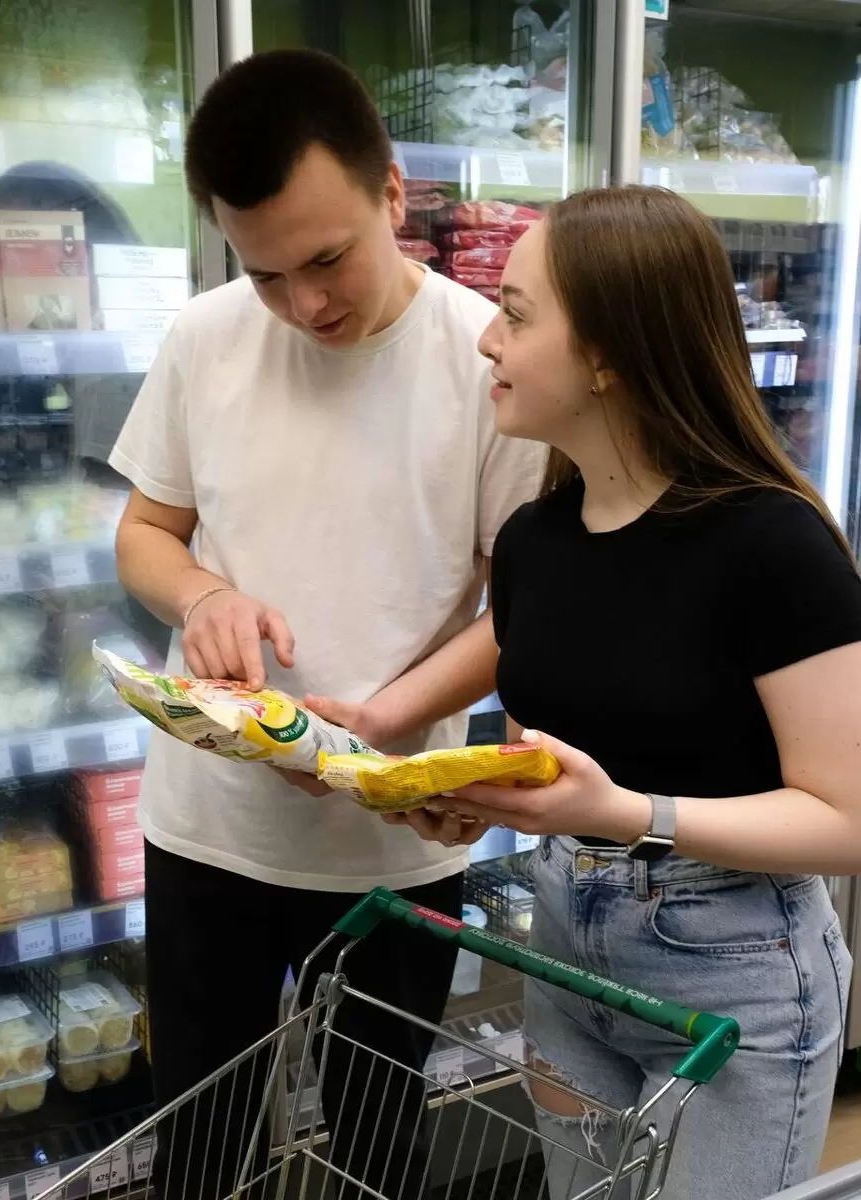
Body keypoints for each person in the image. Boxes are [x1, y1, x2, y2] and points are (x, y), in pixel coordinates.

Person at [108, 48, 541, 1198]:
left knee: (379, 1150)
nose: (305, 305)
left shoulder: (488, 360)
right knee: (201, 1153)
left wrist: (380, 727)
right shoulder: (205, 338)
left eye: (326, 259)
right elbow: (144, 534)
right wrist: (206, 596)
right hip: (209, 831)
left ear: (393, 193)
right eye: (264, 274)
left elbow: (523, 606)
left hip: (395, 839)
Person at [374, 184, 861, 1200]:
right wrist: (475, 799)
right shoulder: (533, 543)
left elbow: (848, 821)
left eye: (515, 315)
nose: (486, 342)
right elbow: (550, 766)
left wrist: (629, 816)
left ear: (607, 355)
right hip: (563, 948)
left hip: (734, 971)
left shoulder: (772, 545)